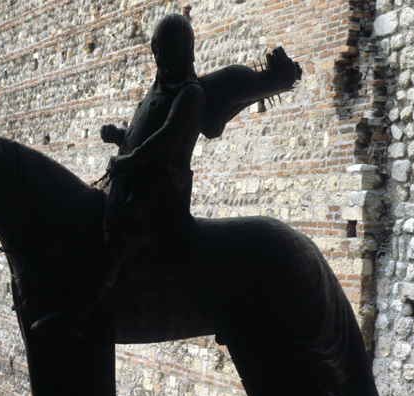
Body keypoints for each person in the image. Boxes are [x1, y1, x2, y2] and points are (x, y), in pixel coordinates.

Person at [32, 13, 301, 333]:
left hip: (159, 192)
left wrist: (129, 159)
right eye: (157, 47)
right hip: (133, 183)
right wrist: (120, 136)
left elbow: (169, 137)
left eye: (168, 47)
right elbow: (144, 132)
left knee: (117, 244)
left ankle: (74, 317)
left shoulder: (190, 94)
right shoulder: (159, 90)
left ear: (184, 49)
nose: (161, 54)